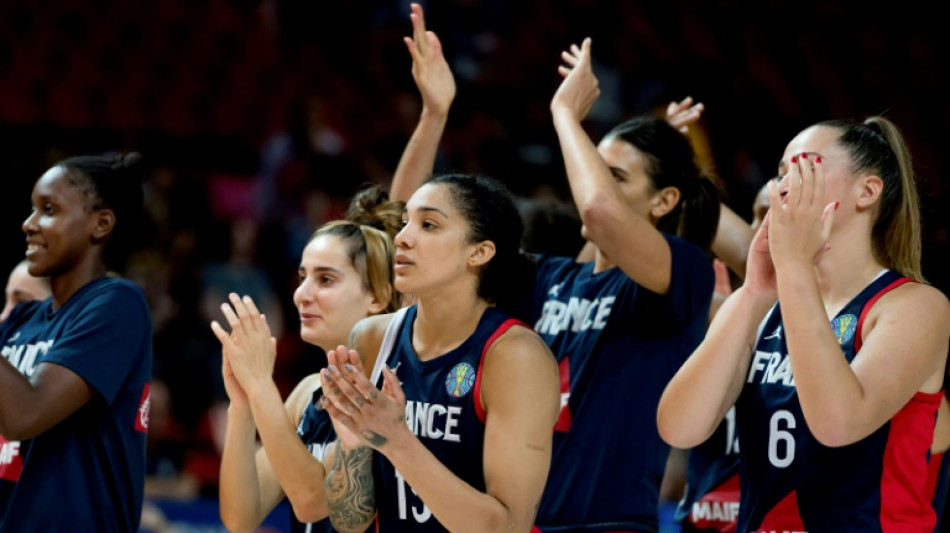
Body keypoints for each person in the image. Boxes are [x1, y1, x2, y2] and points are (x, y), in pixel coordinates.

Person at [658, 116, 950, 531]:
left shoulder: (914, 306)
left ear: (866, 192)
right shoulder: (764, 301)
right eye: (780, 173)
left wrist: (793, 265)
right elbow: (679, 427)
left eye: (804, 167)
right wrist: (755, 293)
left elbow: (837, 423)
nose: (782, 186)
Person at [513, 39, 718, 533]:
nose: (595, 185)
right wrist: (435, 116)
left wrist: (566, 114)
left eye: (616, 177)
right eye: (595, 172)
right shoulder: (551, 276)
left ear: (665, 200)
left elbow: (601, 214)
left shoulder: (686, 273)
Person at [310, 173, 560, 533]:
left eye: (428, 225)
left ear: (479, 252)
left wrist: (396, 441)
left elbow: (507, 527)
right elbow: (350, 521)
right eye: (405, 222)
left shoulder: (515, 356)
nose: (402, 238)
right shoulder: (371, 338)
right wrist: (352, 446)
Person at [212, 185, 403, 533]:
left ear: (377, 297)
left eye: (325, 279)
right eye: (303, 277)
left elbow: (313, 502)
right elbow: (241, 518)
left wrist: (260, 384)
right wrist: (241, 405)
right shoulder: (306, 393)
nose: (302, 294)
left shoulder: (388, 393)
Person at [0, 152, 153, 532]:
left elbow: (25, 414)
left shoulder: (118, 304)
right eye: (31, 209)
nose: (28, 224)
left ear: (100, 224)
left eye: (48, 209)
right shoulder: (20, 319)